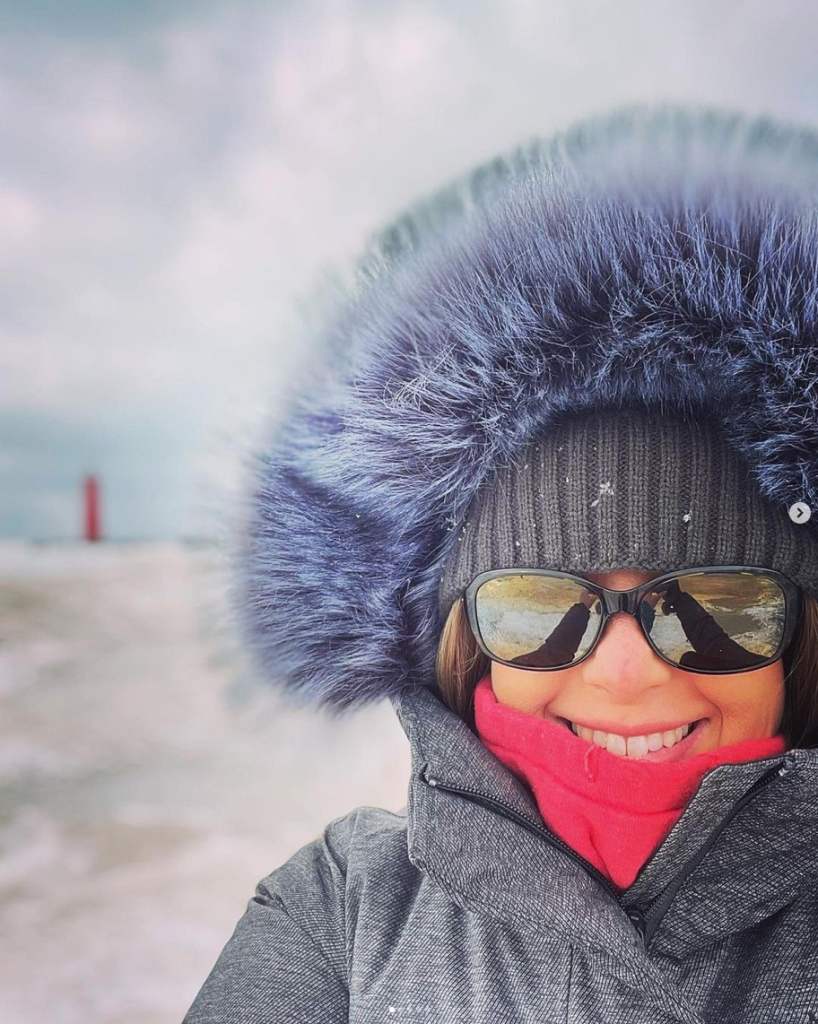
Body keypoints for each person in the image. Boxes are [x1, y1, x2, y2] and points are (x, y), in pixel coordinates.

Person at [181, 104, 818, 1023]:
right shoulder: (342, 910)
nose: (627, 672)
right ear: (465, 643)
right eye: (538, 608)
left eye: (717, 607)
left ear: (799, 637)